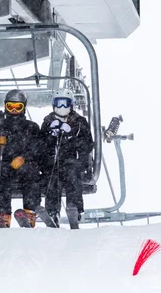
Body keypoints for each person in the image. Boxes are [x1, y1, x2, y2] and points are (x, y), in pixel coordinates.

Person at [39, 89, 94, 227]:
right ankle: (52, 212)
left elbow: (87, 144)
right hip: (53, 161)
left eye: (65, 103)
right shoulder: (47, 122)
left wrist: (70, 136)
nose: (62, 107)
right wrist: (51, 136)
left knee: (72, 175)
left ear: (71, 105)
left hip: (72, 160)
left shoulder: (80, 122)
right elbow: (40, 145)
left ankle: (74, 208)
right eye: (59, 103)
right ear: (54, 105)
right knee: (52, 178)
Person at [0, 89, 42, 227]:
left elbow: (38, 149)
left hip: (26, 164)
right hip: (7, 165)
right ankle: (3, 214)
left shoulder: (31, 127)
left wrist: (24, 158)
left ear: (24, 107)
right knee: (0, 174)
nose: (13, 110)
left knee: (32, 174)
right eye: (10, 107)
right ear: (5, 106)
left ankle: (30, 211)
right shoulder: (0, 129)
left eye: (17, 107)